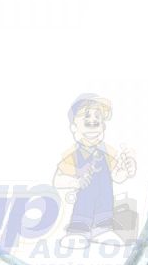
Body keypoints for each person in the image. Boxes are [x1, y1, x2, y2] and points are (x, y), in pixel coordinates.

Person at [53, 94, 136, 246]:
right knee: (82, 214)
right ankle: (77, 232)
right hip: (83, 205)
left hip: (104, 207)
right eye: (86, 117)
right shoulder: (73, 155)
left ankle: (102, 231)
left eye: (98, 118)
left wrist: (127, 170)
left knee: (103, 218)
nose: (93, 121)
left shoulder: (108, 153)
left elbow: (117, 176)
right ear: (74, 127)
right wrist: (76, 182)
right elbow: (58, 179)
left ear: (103, 127)